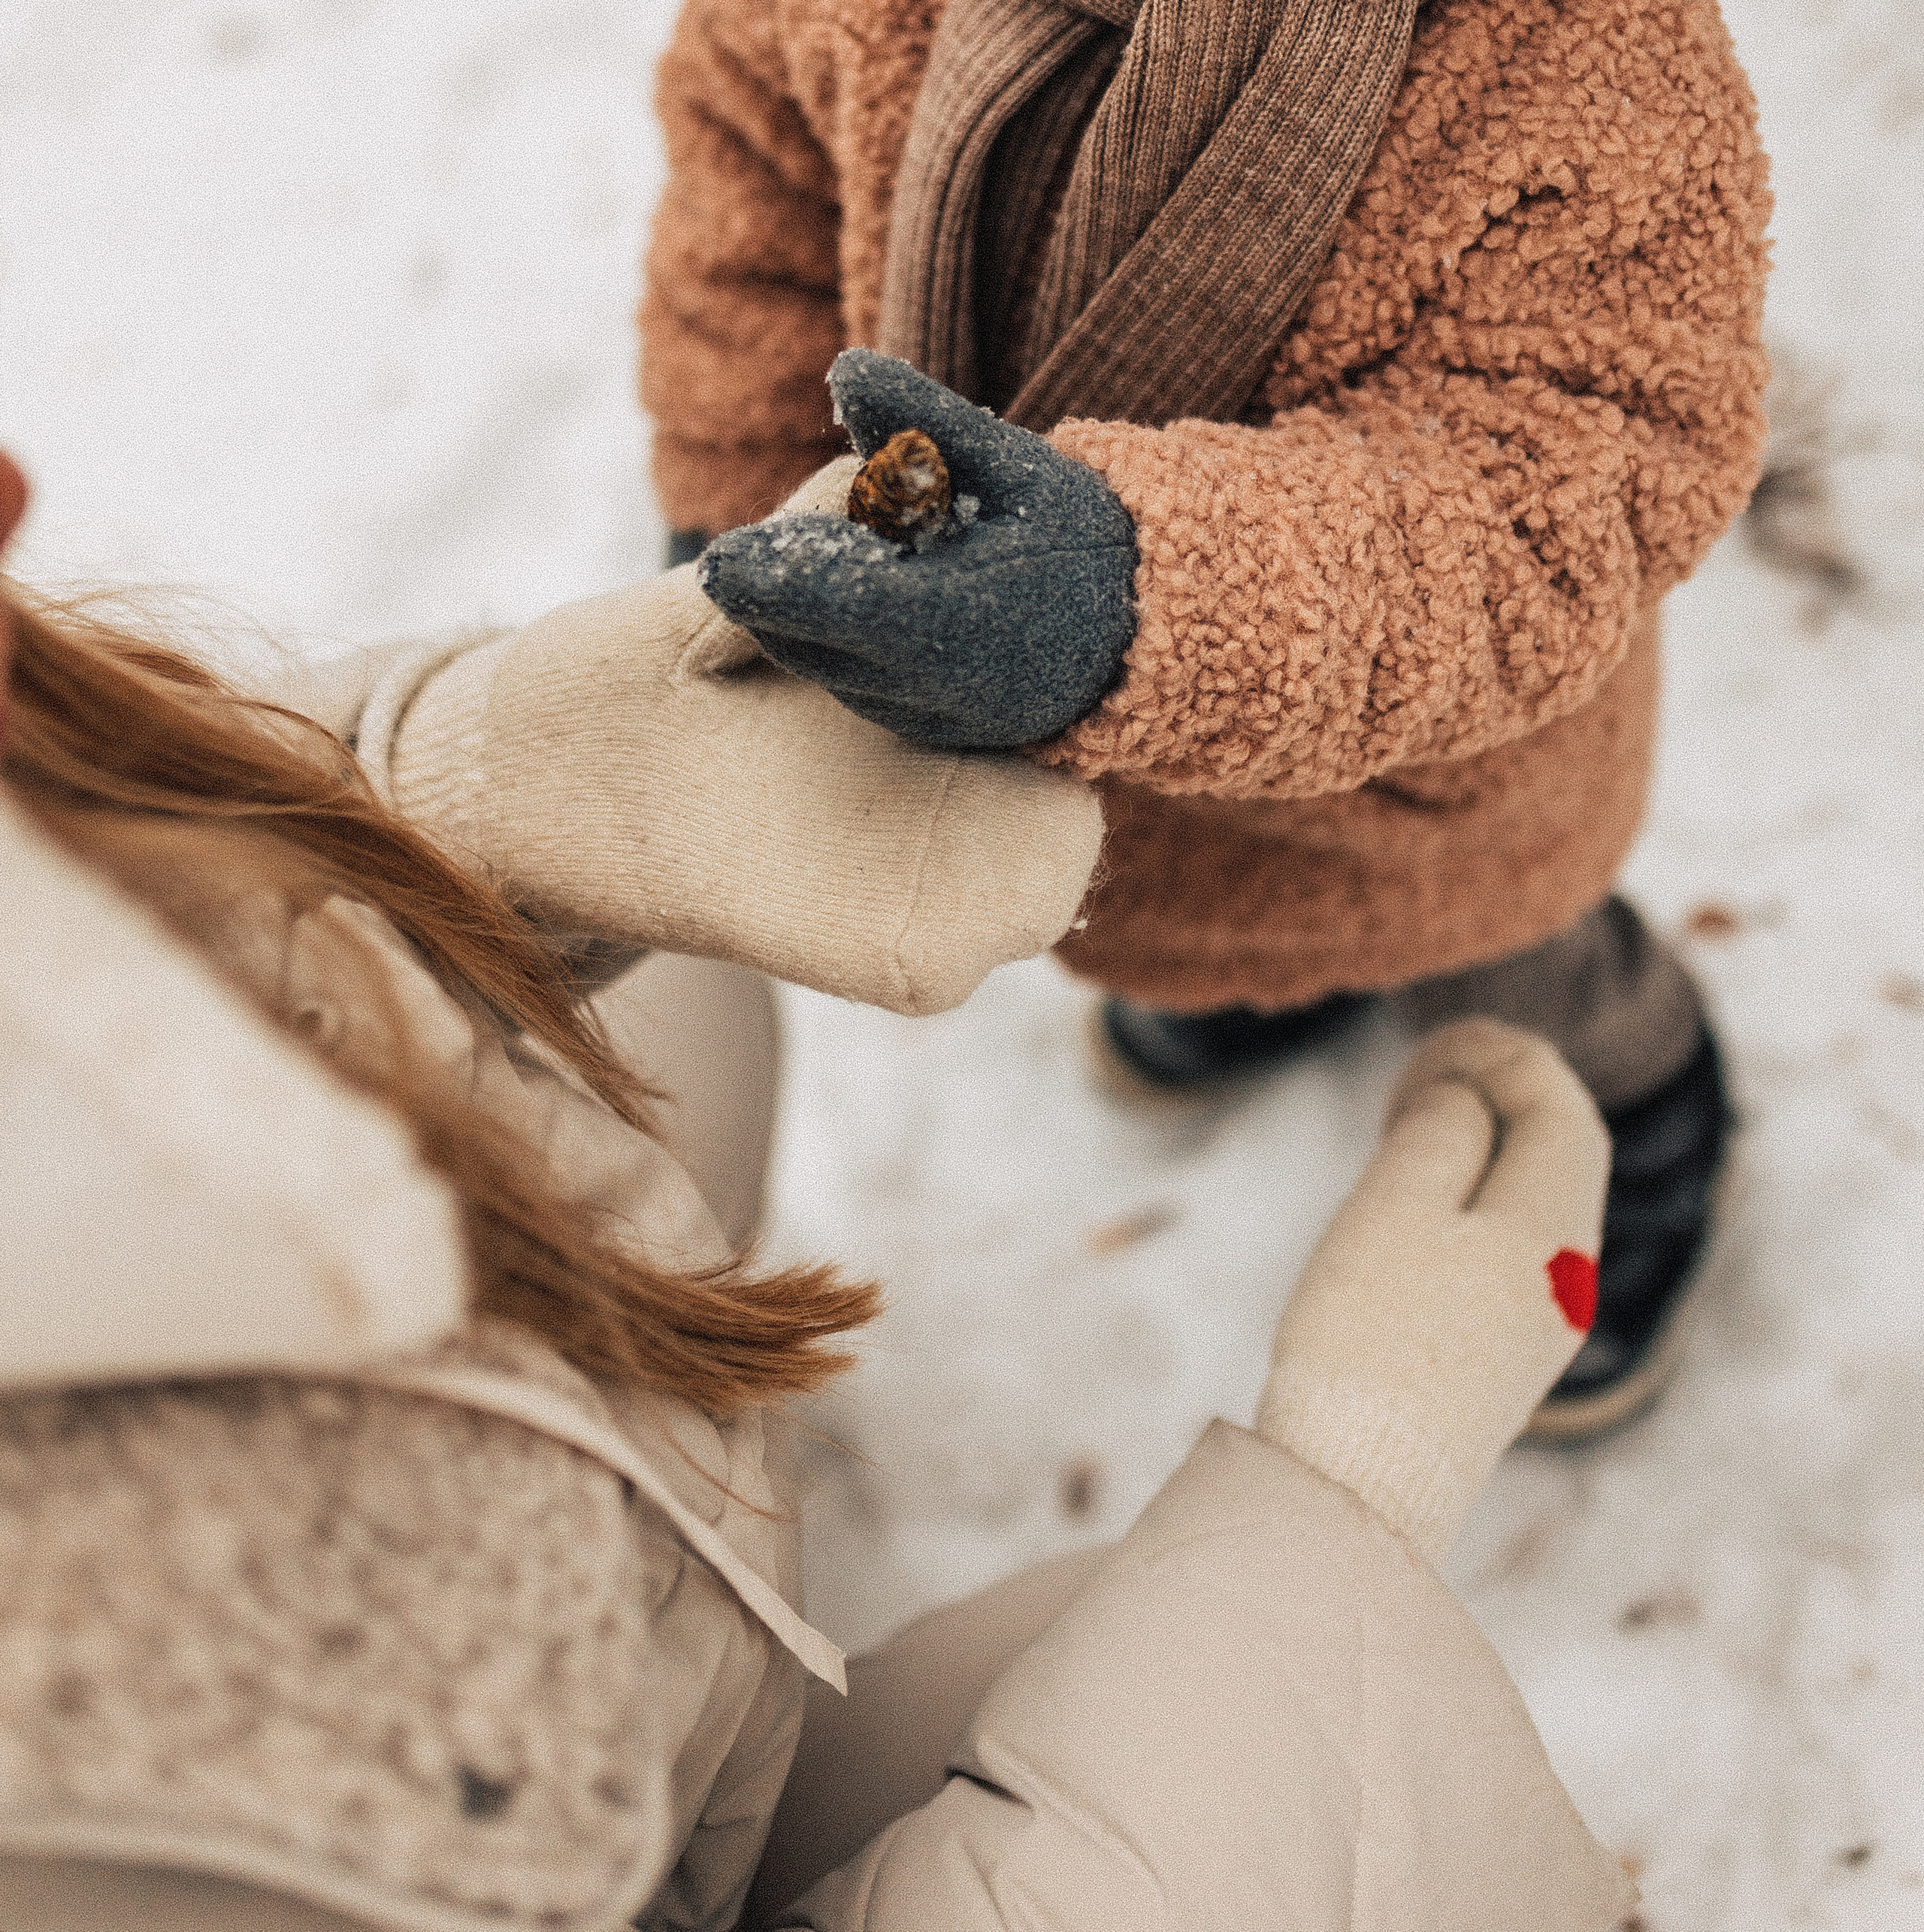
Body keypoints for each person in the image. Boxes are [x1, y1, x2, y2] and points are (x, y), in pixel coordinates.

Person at [641, 0, 1892, 1434]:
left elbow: (1562, 497)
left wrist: (1132, 604)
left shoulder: (1577, 69)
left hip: (1415, 787)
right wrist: (726, 472)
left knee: (1496, 949)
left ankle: (1610, 1083)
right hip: (1030, 744)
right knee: (1161, 904)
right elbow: (750, 137)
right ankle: (1225, 962)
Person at [0, 448, 1635, 1928]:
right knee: (1257, 1719)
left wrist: (482, 779)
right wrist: (1357, 1466)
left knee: (672, 1002)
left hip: (590, 1588)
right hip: (598, 1825)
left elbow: (128, 837)